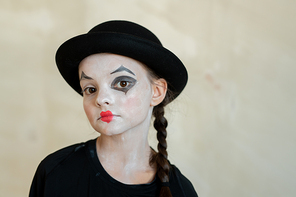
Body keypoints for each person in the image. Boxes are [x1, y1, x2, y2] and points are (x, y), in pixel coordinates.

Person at [29, 20, 198, 197]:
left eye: (122, 83)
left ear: (156, 92)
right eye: (91, 89)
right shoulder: (56, 173)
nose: (101, 99)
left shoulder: (180, 191)